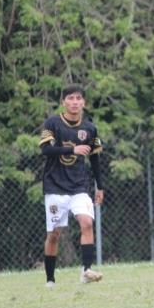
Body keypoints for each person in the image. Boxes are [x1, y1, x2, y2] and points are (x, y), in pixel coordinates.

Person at [39, 84, 105, 287]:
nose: (75, 102)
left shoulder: (90, 128)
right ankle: (50, 280)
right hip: (55, 187)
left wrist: (99, 186)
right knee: (54, 234)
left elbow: (94, 159)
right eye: (70, 98)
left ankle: (86, 271)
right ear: (63, 102)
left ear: (84, 102)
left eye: (78, 98)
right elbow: (45, 150)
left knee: (86, 223)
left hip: (79, 186)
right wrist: (72, 150)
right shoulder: (53, 123)